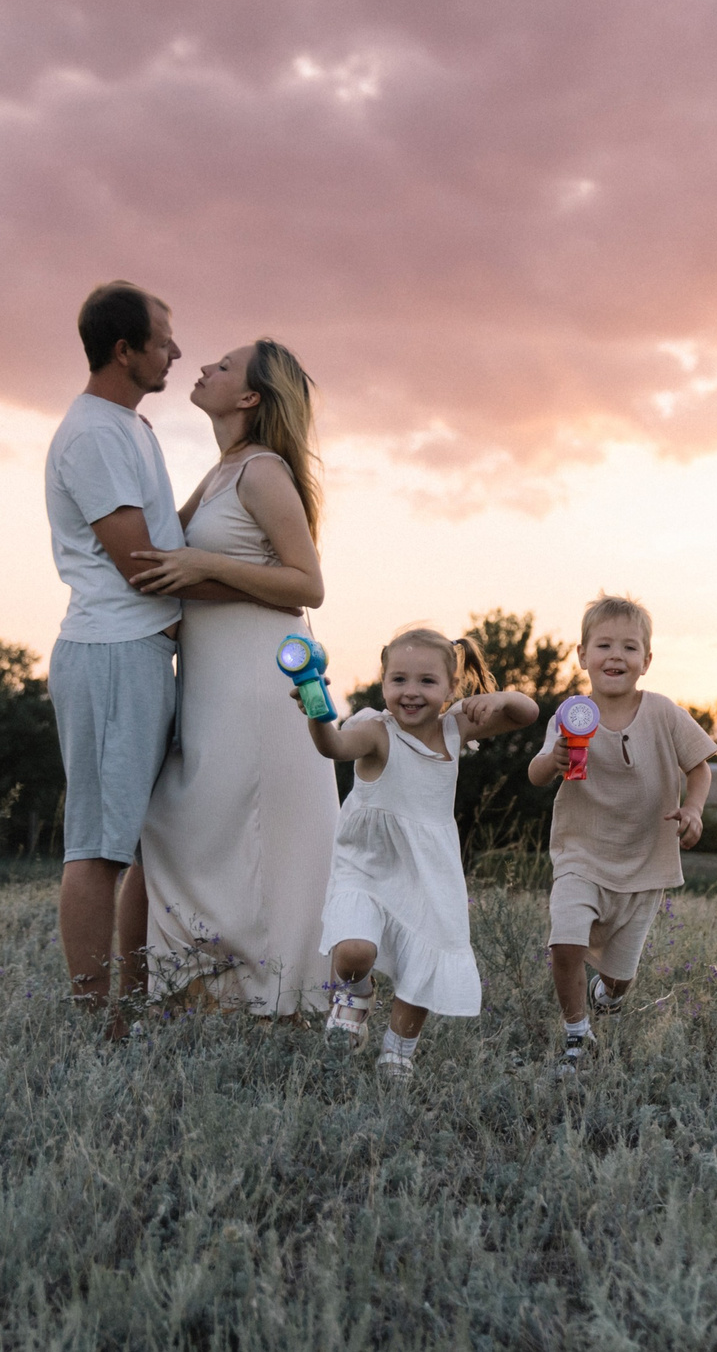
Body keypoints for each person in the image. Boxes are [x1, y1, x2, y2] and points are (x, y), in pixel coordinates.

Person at [124, 340, 339, 1021]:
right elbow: (191, 571)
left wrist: (194, 570)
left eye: (224, 365)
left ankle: (268, 999)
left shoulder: (264, 471)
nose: (206, 368)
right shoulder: (224, 470)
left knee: (215, 826)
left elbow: (308, 585)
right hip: (212, 678)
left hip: (259, 682)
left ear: (249, 397)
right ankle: (214, 995)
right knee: (182, 823)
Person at [43, 282, 192, 1035]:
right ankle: (93, 1020)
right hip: (107, 654)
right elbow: (141, 563)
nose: (176, 350)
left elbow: (165, 531)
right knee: (98, 846)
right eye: (163, 338)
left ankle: (130, 1003)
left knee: (136, 842)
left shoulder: (131, 428)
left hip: (140, 653)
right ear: (124, 349)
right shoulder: (94, 435)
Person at [304, 629, 538, 1080]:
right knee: (354, 951)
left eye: (427, 682)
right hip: (367, 865)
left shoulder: (456, 727)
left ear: (451, 688)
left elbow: (526, 714)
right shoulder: (375, 732)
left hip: (428, 868)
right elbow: (331, 747)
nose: (410, 692)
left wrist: (502, 695)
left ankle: (398, 1050)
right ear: (384, 681)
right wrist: (315, 714)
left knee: (423, 962)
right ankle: (356, 992)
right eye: (399, 680)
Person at [524, 595, 717, 1078]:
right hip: (581, 853)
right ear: (582, 655)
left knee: (620, 979)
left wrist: (693, 809)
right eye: (604, 645)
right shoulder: (571, 715)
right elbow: (536, 773)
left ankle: (605, 994)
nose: (616, 656)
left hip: (645, 861)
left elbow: (700, 768)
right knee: (564, 945)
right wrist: (555, 759)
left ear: (646, 661)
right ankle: (575, 1035)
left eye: (629, 648)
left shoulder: (664, 713)